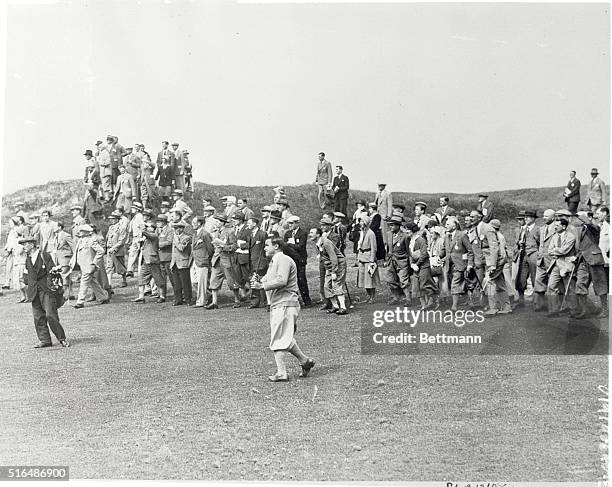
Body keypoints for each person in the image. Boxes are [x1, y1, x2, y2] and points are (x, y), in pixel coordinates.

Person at [250, 236, 315, 382]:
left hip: (285, 303)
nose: (264, 248)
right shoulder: (274, 262)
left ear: (277, 246)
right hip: (279, 304)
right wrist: (259, 280)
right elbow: (268, 279)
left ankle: (282, 372)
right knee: (284, 335)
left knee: (278, 337)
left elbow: (282, 280)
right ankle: (305, 361)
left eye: (267, 245)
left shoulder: (283, 259)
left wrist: (262, 286)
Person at [21, 236, 69, 348]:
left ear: (32, 245)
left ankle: (62, 338)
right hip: (34, 292)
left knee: (50, 315)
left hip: (47, 290)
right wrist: (28, 282)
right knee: (38, 317)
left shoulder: (44, 255)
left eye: (26, 244)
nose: (24, 247)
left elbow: (52, 270)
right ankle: (45, 340)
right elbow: (26, 275)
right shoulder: (27, 258)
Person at [470, 210, 511, 315]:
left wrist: (493, 265)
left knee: (490, 281)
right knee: (500, 283)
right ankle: (506, 307)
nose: (470, 218)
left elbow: (494, 247)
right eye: (470, 216)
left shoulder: (488, 229)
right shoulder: (475, 229)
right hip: (489, 260)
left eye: (473, 216)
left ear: (479, 217)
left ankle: (493, 308)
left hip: (496, 260)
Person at [573, 211, 608, 318]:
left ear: (589, 217)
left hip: (594, 259)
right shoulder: (580, 229)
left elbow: (592, 226)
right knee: (580, 284)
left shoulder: (595, 227)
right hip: (582, 260)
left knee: (600, 285)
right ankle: (584, 311)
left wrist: (584, 217)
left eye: (582, 217)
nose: (579, 219)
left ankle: (605, 310)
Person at [69, 224, 109, 309]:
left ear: (86, 232)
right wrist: (72, 261)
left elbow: (101, 251)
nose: (79, 232)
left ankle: (80, 302)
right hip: (83, 266)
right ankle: (103, 297)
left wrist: (94, 262)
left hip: (88, 266)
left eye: (81, 231)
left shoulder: (91, 241)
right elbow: (76, 253)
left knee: (83, 283)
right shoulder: (80, 240)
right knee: (93, 282)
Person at [311, 225, 348, 315]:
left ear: (318, 235)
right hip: (329, 266)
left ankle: (343, 307)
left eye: (312, 233)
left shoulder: (326, 242)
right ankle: (335, 306)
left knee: (337, 284)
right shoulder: (318, 243)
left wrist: (334, 272)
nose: (310, 234)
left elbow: (333, 257)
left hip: (338, 265)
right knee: (326, 286)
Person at [207, 215, 241, 309]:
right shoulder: (216, 232)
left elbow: (234, 247)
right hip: (217, 259)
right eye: (216, 221)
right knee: (214, 280)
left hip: (227, 259)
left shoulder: (230, 232)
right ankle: (214, 302)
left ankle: (237, 300)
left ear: (223, 222)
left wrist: (224, 246)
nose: (216, 223)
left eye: (218, 221)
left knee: (231, 280)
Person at [546, 217, 577, 317]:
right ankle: (554, 310)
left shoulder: (571, 236)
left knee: (569, 288)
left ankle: (573, 310)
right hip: (555, 264)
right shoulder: (554, 236)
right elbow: (549, 251)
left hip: (566, 265)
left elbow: (565, 250)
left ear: (564, 226)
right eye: (554, 225)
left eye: (557, 225)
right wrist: (556, 251)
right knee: (551, 286)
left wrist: (556, 250)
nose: (555, 227)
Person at [134, 214, 167, 303]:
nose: (148, 228)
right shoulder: (147, 236)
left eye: (149, 227)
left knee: (158, 279)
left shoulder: (154, 236)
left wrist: (142, 226)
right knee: (141, 278)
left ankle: (162, 296)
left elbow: (146, 233)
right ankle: (141, 296)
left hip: (153, 261)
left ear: (153, 228)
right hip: (146, 260)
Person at [443, 216, 474, 311]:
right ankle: (469, 303)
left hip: (460, 264)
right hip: (449, 265)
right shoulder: (446, 236)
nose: (445, 226)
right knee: (456, 285)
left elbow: (470, 251)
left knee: (455, 285)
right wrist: (440, 258)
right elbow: (446, 251)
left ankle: (454, 307)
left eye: (448, 224)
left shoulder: (462, 235)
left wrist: (469, 264)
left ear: (454, 226)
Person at [405, 222, 437, 310]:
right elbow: (410, 254)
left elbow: (424, 254)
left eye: (407, 229)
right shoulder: (409, 240)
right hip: (415, 266)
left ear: (413, 230)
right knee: (416, 286)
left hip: (423, 266)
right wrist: (411, 264)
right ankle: (424, 305)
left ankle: (432, 301)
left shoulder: (421, 240)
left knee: (425, 285)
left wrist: (417, 264)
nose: (406, 231)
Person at [513, 209, 539, 308]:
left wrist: (538, 254)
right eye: (525, 217)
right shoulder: (523, 229)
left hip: (533, 255)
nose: (526, 219)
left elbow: (541, 243)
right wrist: (520, 243)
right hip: (523, 255)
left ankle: (537, 302)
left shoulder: (538, 229)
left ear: (533, 218)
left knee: (534, 278)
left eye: (527, 217)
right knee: (521, 278)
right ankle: (521, 300)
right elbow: (519, 241)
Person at [282, 216, 310, 307]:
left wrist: (290, 244)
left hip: (300, 259)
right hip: (290, 259)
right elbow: (284, 245)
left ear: (297, 223)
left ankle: (306, 300)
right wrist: (291, 245)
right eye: (289, 223)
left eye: (292, 223)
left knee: (301, 280)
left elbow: (301, 246)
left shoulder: (302, 233)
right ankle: (294, 299)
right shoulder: (288, 233)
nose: (290, 225)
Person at [533, 209, 557, 312]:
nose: (544, 218)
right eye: (543, 216)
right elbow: (539, 242)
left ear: (553, 217)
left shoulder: (557, 228)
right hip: (541, 260)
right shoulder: (541, 229)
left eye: (547, 216)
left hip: (552, 260)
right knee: (538, 281)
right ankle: (539, 304)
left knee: (553, 285)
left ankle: (554, 307)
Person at [246, 217, 269, 308]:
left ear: (255, 224)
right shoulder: (250, 235)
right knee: (253, 280)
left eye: (249, 223)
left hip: (261, 261)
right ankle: (255, 302)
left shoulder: (262, 234)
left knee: (260, 280)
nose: (247, 225)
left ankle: (264, 301)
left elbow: (266, 248)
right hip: (252, 261)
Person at [356, 215, 380, 304]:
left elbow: (374, 248)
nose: (360, 223)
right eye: (360, 221)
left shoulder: (371, 233)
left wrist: (372, 260)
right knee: (363, 279)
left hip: (369, 258)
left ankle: (372, 297)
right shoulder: (361, 232)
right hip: (362, 257)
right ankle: (369, 296)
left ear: (366, 222)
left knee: (370, 279)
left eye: (362, 221)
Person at [105, 211, 128, 288]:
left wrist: (114, 248)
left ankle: (124, 280)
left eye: (113, 219)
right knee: (109, 267)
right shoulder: (110, 228)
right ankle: (109, 284)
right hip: (109, 250)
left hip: (117, 251)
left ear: (117, 219)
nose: (111, 220)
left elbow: (121, 241)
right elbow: (108, 238)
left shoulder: (122, 228)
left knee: (120, 267)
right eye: (111, 219)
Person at [232, 212, 252, 300]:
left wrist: (241, 245)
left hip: (244, 257)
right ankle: (244, 296)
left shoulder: (247, 230)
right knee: (239, 278)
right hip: (237, 256)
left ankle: (253, 295)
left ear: (240, 220)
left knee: (247, 277)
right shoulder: (235, 229)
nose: (234, 221)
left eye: (236, 219)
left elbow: (250, 243)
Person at [156, 214, 174, 301]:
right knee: (161, 278)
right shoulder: (157, 230)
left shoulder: (169, 230)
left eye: (159, 221)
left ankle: (178, 295)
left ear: (163, 222)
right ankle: (162, 295)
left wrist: (158, 245)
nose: (157, 223)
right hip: (159, 257)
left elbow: (169, 242)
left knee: (172, 277)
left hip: (167, 257)